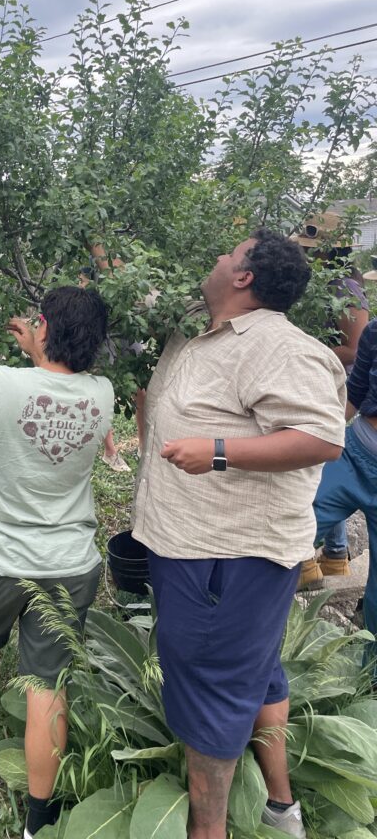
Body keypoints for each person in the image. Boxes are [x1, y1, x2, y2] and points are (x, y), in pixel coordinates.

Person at [132, 229, 345, 839]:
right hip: (196, 547)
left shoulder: (278, 347)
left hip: (225, 559)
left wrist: (217, 451)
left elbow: (321, 438)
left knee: (212, 691)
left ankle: (210, 830)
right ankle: (281, 808)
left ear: (245, 276)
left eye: (227, 253)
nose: (216, 257)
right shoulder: (204, 332)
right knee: (256, 672)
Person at [0, 286, 114, 839]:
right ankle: (40, 821)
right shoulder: (102, 394)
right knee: (46, 683)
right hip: (68, 563)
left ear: (44, 328)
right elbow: (54, 388)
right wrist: (39, 349)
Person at [294, 213, 369, 587]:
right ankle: (333, 555)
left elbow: (354, 349)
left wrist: (305, 349)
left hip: (337, 386)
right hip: (330, 387)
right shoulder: (330, 284)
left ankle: (314, 558)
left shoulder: (347, 288)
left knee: (318, 471)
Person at [313, 314, 377, 672]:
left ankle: (369, 684)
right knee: (293, 524)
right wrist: (320, 438)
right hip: (354, 453)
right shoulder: (375, 331)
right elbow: (354, 394)